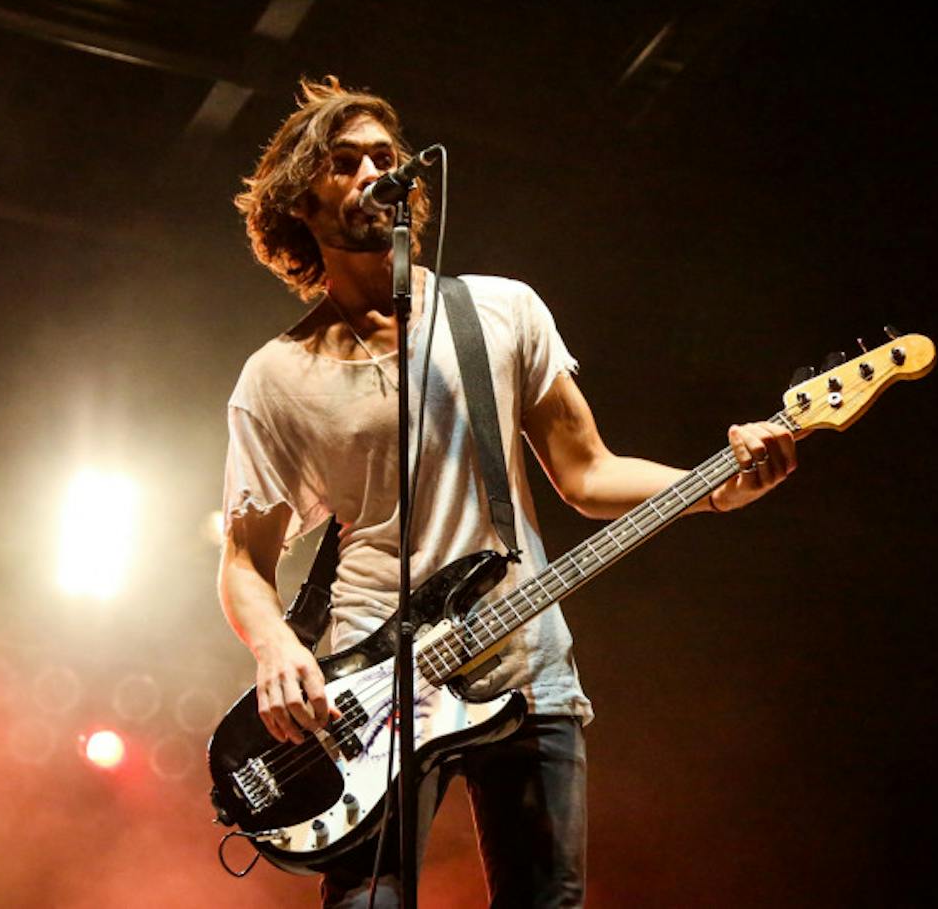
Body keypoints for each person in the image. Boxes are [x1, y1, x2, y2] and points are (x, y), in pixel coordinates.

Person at [217, 77, 796, 907]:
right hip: (374, 688)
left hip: (527, 665)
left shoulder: (499, 311)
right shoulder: (276, 377)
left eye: (386, 157)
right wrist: (275, 648)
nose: (373, 173)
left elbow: (587, 471)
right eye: (344, 163)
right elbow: (243, 562)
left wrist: (714, 487)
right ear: (300, 200)